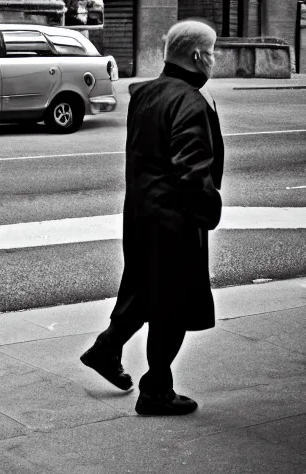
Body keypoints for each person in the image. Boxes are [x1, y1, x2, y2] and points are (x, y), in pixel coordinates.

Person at [80, 20, 224, 416]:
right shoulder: (190, 100)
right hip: (174, 220)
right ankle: (156, 389)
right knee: (171, 306)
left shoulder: (146, 93)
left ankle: (106, 350)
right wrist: (207, 212)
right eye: (212, 52)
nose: (214, 59)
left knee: (144, 290)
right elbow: (192, 171)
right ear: (197, 56)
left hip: (140, 213)